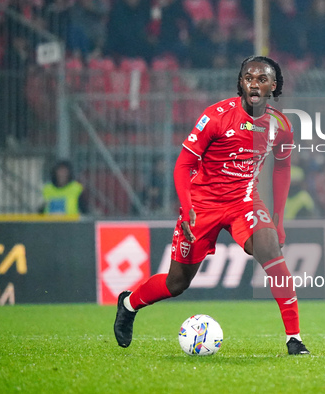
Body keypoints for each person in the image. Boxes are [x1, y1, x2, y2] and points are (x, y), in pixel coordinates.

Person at [114, 55, 310, 355]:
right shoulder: (216, 116)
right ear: (241, 82)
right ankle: (129, 303)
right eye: (249, 77)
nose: (254, 83)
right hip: (202, 205)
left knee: (270, 249)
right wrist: (188, 207)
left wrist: (279, 221)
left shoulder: (280, 126)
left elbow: (283, 169)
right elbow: (183, 165)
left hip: (243, 201)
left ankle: (294, 338)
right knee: (176, 283)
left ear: (274, 85)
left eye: (262, 78)